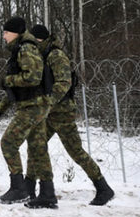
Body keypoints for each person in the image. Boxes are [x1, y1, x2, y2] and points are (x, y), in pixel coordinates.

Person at [25, 25, 114, 206]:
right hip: (48, 112)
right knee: (35, 145)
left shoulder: (56, 56)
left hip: (62, 112)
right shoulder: (41, 56)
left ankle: (103, 188)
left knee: (75, 152)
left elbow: (64, 83)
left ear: (39, 40)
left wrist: (47, 101)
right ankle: (29, 188)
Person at [0, 16, 56, 208]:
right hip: (36, 105)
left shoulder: (25, 48)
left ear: (16, 32)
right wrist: (0, 108)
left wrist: (8, 81)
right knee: (38, 149)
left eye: (5, 33)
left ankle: (18, 188)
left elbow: (32, 78)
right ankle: (47, 193)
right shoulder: (23, 48)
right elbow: (21, 88)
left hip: (32, 106)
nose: (3, 37)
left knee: (9, 142)